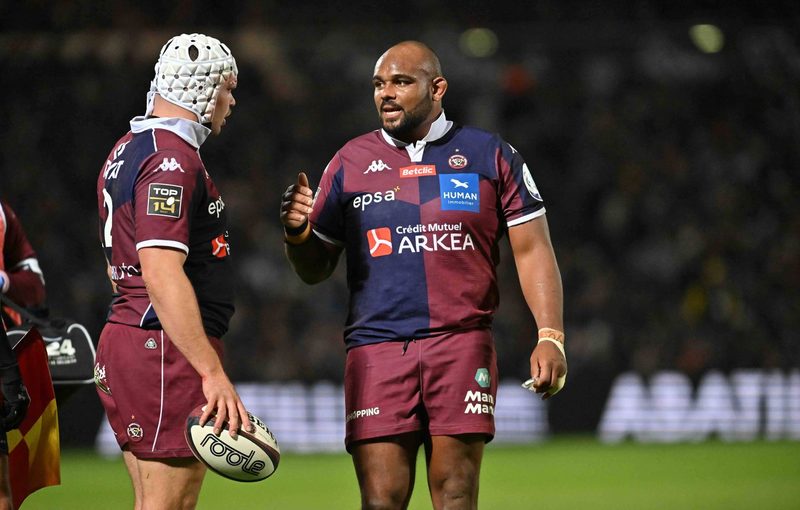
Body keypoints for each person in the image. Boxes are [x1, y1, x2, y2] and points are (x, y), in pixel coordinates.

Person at [280, 40, 567, 509]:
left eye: (400, 82)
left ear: (438, 88)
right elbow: (315, 268)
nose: (385, 94)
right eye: (378, 84)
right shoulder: (349, 162)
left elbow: (533, 249)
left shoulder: (490, 155)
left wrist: (550, 335)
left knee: (455, 494)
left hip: (461, 342)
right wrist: (297, 236)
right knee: (381, 500)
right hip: (377, 347)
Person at [95, 33, 253, 510]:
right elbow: (161, 271)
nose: (231, 100)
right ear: (201, 89)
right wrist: (211, 371)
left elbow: (115, 268)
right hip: (162, 349)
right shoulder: (171, 157)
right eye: (227, 87)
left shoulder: (127, 147)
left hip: (131, 339)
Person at [0, 199, 45, 510]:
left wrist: (5, 282)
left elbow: (34, 286)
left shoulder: (3, 214)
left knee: (4, 485)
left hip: (4, 352)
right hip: (4, 364)